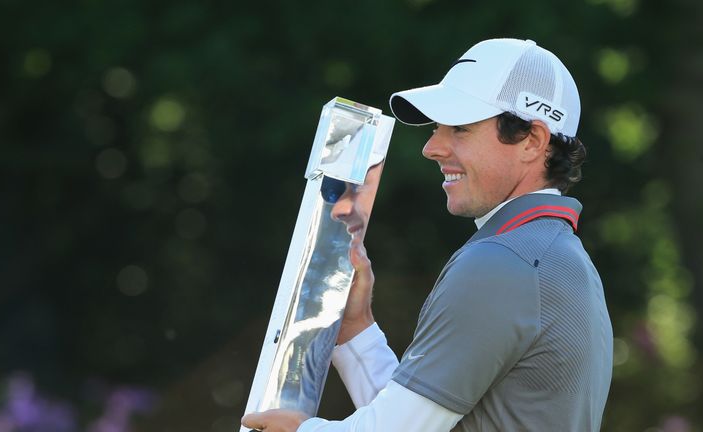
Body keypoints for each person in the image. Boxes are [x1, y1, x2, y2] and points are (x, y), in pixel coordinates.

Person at [243, 38, 613, 432]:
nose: (432, 147)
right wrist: (356, 329)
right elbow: (420, 421)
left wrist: (299, 431)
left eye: (460, 129)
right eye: (438, 128)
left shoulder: (504, 262)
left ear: (532, 141)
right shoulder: (557, 258)